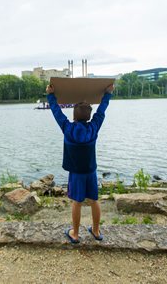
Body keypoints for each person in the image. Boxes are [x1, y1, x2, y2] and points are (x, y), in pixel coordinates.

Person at [46, 83, 114, 243]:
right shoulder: (93, 128)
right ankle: (96, 231)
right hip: (90, 171)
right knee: (94, 200)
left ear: (74, 116)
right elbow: (101, 111)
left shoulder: (68, 128)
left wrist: (50, 95)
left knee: (77, 202)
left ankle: (75, 234)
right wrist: (108, 94)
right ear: (89, 117)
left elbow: (57, 112)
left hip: (76, 173)